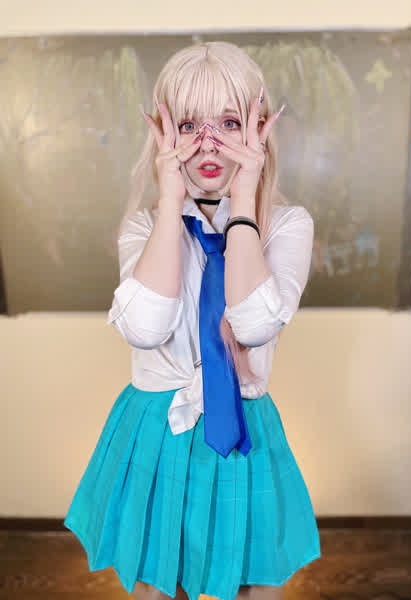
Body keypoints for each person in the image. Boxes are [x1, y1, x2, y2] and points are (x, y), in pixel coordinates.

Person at [63, 41, 321, 600]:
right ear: (164, 133)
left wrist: (245, 203)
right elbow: (145, 329)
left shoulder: (287, 225)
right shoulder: (143, 228)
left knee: (257, 582)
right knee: (157, 584)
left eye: (229, 123)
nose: (208, 145)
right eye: (188, 125)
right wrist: (168, 200)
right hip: (155, 428)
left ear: (259, 128)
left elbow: (253, 325)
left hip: (242, 425)